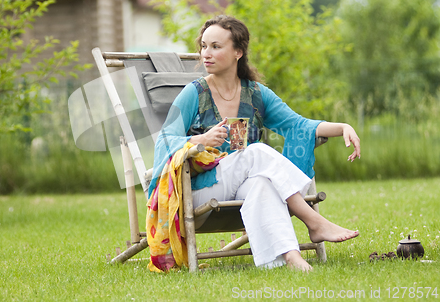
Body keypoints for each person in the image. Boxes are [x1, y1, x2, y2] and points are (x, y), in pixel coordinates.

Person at [149, 15, 360, 272]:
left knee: (261, 183)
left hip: (238, 184)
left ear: (238, 52)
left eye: (216, 46)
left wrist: (342, 127)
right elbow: (165, 140)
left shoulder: (256, 93)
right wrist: (200, 139)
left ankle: (293, 258)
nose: (206, 53)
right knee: (258, 151)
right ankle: (313, 221)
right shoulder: (195, 93)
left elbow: (297, 125)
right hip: (199, 188)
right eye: (204, 46)